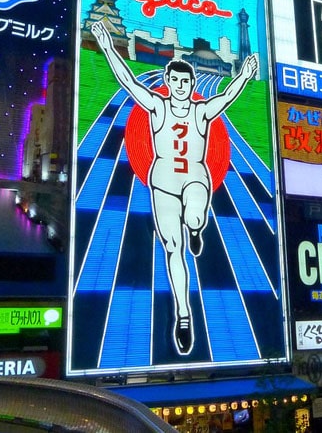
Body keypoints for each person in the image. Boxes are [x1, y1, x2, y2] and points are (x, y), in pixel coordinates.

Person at [91, 20, 258, 355]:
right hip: (164, 182)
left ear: (191, 83)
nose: (180, 85)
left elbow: (226, 96)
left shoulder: (201, 110)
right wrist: (108, 47)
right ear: (167, 82)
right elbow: (127, 82)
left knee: (195, 218)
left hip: (195, 177)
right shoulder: (157, 105)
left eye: (186, 80)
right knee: (172, 247)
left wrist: (244, 74)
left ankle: (197, 227)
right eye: (175, 80)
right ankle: (184, 314)